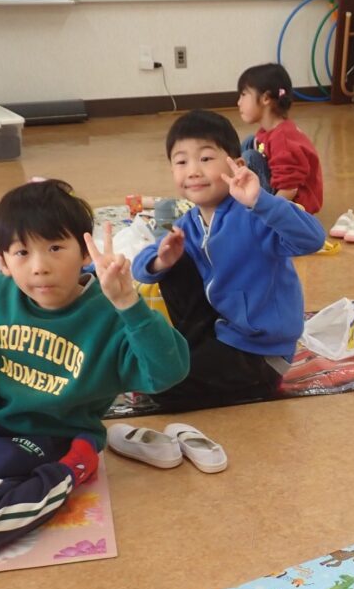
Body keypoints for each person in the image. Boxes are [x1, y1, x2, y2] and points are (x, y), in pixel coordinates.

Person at [0, 179, 189, 554]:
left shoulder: (110, 313)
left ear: (84, 252)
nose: (39, 267)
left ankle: (73, 469)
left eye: (55, 248)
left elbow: (167, 373)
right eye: (22, 252)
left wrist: (129, 304)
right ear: (2, 261)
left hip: (47, 438)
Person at [132, 109, 325, 412]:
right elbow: (140, 268)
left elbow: (312, 238)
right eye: (181, 162)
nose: (193, 171)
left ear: (236, 165)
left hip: (260, 353)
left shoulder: (254, 216)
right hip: (220, 330)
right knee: (173, 259)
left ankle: (250, 384)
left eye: (206, 158)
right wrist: (161, 261)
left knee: (162, 384)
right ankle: (194, 352)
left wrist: (261, 201)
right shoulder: (189, 222)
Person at [236, 63, 324, 215]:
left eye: (243, 95)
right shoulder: (268, 131)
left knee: (250, 157)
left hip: (293, 206)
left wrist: (268, 215)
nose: (239, 102)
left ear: (265, 98)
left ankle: (249, 206)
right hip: (279, 191)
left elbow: (290, 188)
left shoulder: (283, 139)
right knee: (250, 143)